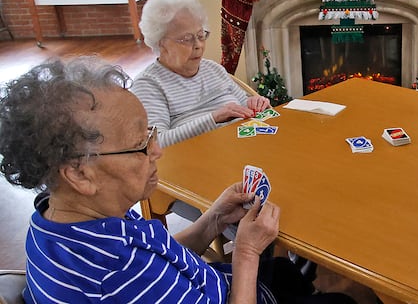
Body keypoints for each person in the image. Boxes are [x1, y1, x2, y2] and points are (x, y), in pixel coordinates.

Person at [0, 57, 354, 304]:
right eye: (141, 143)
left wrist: (212, 219)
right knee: (347, 298)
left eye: (152, 133)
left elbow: (162, 257)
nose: (157, 150)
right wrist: (245, 252)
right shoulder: (115, 274)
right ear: (79, 173)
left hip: (214, 282)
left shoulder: (61, 220)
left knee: (284, 271)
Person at [131, 0, 271, 148]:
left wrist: (254, 103)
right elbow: (155, 143)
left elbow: (243, 105)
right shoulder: (148, 85)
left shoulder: (213, 69)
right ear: (161, 43)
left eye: (200, 35)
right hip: (194, 160)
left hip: (241, 147)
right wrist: (214, 118)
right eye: (187, 39)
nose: (198, 45)